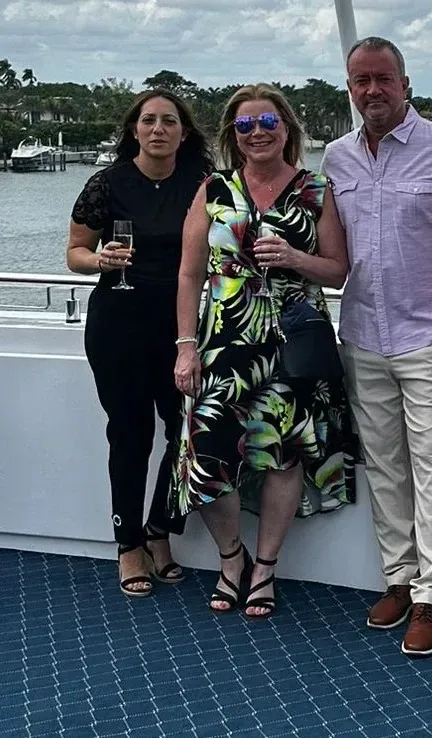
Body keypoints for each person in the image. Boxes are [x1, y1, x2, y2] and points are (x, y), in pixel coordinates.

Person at [321, 36, 432, 657]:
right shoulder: (336, 158)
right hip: (363, 329)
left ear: (405, 82)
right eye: (361, 81)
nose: (372, 90)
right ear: (351, 88)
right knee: (384, 462)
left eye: (383, 78)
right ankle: (397, 577)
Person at [172, 83, 356, 619]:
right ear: (233, 135)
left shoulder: (316, 190)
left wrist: (297, 258)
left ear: (287, 129)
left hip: (294, 344)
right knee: (207, 459)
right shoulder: (214, 189)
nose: (257, 134)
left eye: (268, 123)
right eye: (246, 125)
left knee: (283, 453)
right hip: (224, 344)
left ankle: (265, 568)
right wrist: (186, 347)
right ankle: (231, 558)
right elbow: (188, 275)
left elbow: (339, 271)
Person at [66, 89, 214, 598]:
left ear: (183, 131)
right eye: (149, 120)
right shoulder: (106, 184)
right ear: (134, 130)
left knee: (185, 435)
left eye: (169, 121)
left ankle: (158, 530)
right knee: (130, 435)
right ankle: (128, 544)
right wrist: (100, 259)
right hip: (119, 325)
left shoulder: (202, 186)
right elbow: (74, 253)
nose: (158, 129)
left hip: (183, 329)